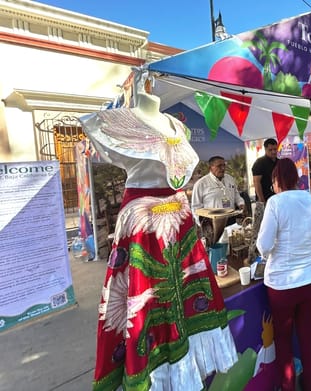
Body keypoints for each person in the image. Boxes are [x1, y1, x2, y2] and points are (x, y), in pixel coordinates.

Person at [80, 92, 237, 390]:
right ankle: (155, 372)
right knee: (145, 296)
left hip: (178, 213)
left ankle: (186, 366)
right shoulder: (117, 121)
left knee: (187, 293)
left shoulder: (178, 128)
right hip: (143, 220)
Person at [256, 158, 311, 391]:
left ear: (276, 180)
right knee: (308, 336)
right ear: (296, 179)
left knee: (283, 339)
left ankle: (288, 386)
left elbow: (264, 246)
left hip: (283, 285)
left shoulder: (275, 203)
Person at [191, 155, 245, 224]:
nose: (223, 168)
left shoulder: (230, 179)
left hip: (232, 220)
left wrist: (241, 204)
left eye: (224, 165)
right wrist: (203, 225)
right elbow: (196, 207)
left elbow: (236, 195)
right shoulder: (201, 184)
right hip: (213, 223)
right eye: (219, 166)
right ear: (210, 168)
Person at [252, 138, 279, 203]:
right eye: (270, 150)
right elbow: (256, 182)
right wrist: (262, 200)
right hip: (264, 198)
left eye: (275, 149)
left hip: (277, 198)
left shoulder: (279, 162)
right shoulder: (259, 163)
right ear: (265, 149)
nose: (273, 152)